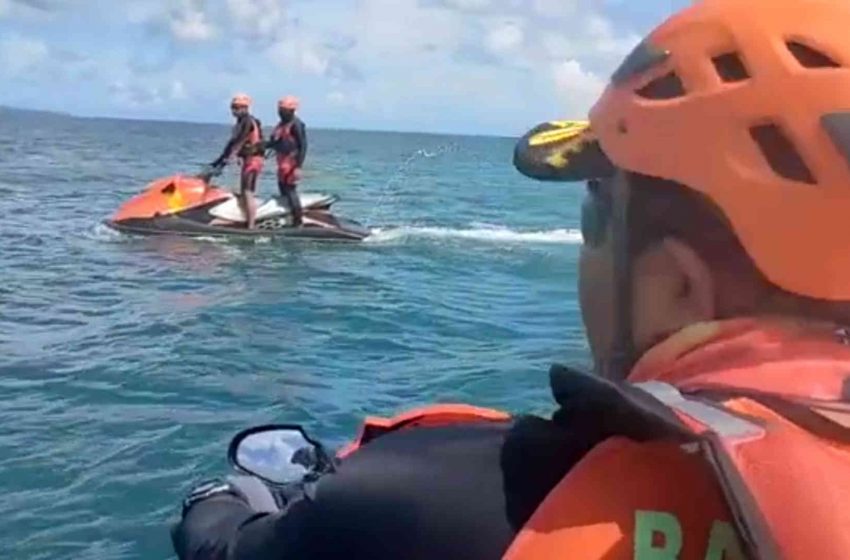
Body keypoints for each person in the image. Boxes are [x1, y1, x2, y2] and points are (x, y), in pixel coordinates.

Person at [172, 0, 850, 558]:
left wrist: (220, 499)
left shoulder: (455, 504)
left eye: (595, 222)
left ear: (676, 286)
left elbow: (232, 548)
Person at [209, 93, 265, 229]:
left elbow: (238, 142)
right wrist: (219, 161)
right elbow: (233, 143)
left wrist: (225, 160)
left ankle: (251, 226)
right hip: (251, 160)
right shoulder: (246, 121)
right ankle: (244, 218)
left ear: (245, 108)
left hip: (253, 161)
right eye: (233, 107)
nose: (234, 111)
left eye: (237, 108)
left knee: (247, 192)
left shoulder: (246, 122)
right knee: (243, 191)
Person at [266, 95, 307, 227]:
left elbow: (303, 145)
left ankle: (298, 221)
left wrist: (298, 166)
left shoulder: (296, 124)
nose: (280, 112)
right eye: (280, 109)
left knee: (290, 190)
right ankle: (287, 216)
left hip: (291, 163)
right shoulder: (281, 125)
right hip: (281, 162)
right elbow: (275, 142)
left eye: (283, 110)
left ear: (291, 110)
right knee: (282, 189)